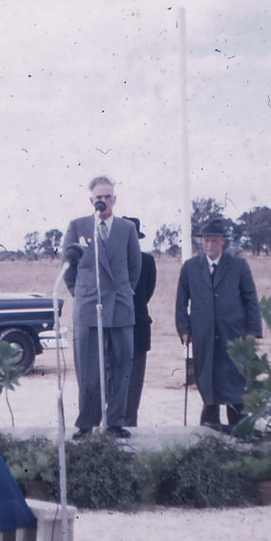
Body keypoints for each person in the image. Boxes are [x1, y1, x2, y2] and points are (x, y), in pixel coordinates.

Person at [62, 176, 142, 439]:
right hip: (88, 308)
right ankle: (87, 422)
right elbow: (69, 270)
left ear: (114, 199)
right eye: (99, 198)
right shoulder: (77, 226)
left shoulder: (127, 229)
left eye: (108, 197)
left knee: (121, 367)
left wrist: (123, 293)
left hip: (119, 309)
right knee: (88, 369)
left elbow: (134, 270)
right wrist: (83, 294)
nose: (103, 202)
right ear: (91, 200)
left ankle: (116, 421)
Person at [175, 218, 262, 430]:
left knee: (234, 379)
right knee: (207, 377)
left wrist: (252, 331)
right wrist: (184, 329)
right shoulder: (190, 267)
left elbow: (251, 299)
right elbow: (180, 302)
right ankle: (209, 425)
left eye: (214, 241)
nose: (209, 245)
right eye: (206, 241)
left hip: (233, 333)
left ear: (223, 241)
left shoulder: (238, 265)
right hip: (203, 334)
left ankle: (239, 426)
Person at [122, 216, 156, 427]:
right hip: (115, 330)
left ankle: (130, 425)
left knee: (134, 386)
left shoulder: (147, 261)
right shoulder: (112, 260)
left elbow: (147, 292)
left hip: (139, 328)